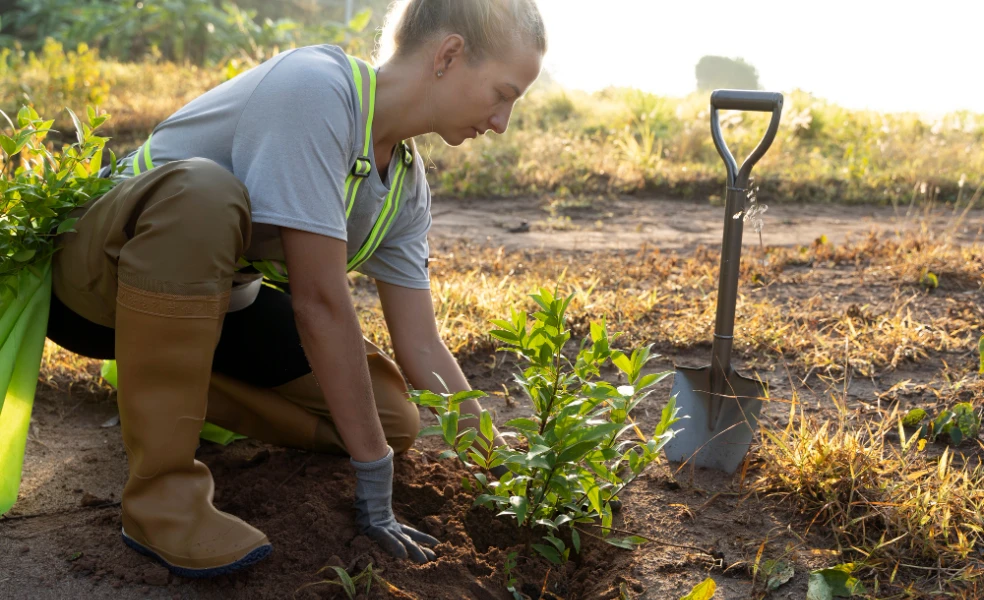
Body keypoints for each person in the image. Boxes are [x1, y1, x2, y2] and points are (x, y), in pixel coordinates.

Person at [44, 0, 546, 578]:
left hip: (210, 306)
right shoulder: (316, 89)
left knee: (395, 421)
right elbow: (319, 302)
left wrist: (505, 461)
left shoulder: (405, 183)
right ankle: (160, 502)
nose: (502, 122)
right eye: (503, 93)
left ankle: (157, 388)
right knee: (206, 192)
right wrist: (373, 484)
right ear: (449, 55)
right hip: (95, 281)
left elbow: (422, 344)